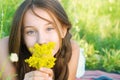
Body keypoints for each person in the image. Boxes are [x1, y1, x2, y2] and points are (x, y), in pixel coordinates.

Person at [0, 0, 81, 80]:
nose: (41, 41)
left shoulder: (72, 49)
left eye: (49, 29)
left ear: (63, 30)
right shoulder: (4, 48)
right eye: (30, 32)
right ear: (21, 36)